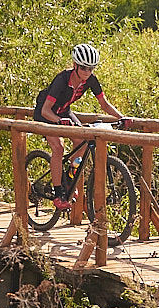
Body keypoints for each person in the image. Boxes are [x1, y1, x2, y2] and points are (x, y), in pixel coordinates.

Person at [33, 43, 125, 211]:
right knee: (59, 148)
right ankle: (58, 192)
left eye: (91, 68)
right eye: (83, 68)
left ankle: (68, 178)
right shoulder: (62, 80)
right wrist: (60, 122)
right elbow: (46, 110)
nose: (87, 72)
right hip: (45, 113)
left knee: (81, 142)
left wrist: (123, 117)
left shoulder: (90, 80)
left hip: (64, 111)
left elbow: (104, 104)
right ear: (75, 65)